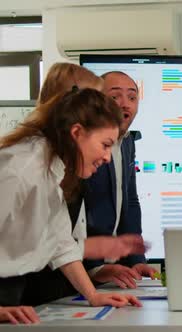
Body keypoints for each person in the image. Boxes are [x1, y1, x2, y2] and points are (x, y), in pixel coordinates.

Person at [0, 88, 142, 324]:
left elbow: (62, 244)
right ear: (77, 132)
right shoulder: (21, 170)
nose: (108, 158)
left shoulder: (52, 169)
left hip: (13, 289)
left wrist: (94, 296)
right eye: (105, 145)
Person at [83, 71, 157, 289]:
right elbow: (79, 212)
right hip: (77, 268)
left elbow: (130, 202)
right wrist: (96, 267)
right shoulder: (83, 144)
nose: (125, 104)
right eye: (115, 97)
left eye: (132, 97)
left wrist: (136, 260)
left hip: (113, 269)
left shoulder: (127, 142)